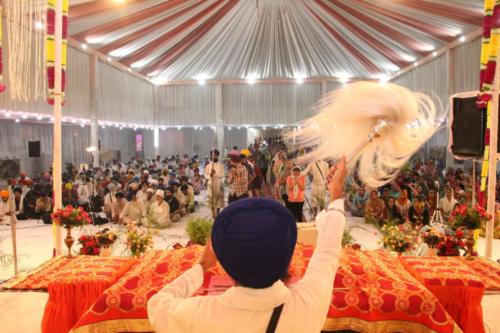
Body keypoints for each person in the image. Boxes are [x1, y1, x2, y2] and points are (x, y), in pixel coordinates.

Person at [147, 158, 347, 333]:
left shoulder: (199, 315)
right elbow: (327, 250)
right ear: (286, 255)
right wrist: (336, 195)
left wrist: (202, 267)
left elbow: (157, 305)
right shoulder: (306, 307)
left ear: (225, 264)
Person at [204, 150, 225, 218]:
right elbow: (205, 175)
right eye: (212, 155)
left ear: (217, 156)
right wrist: (210, 175)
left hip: (218, 184)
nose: (214, 156)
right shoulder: (208, 165)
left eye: (215, 155)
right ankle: (213, 213)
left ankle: (218, 213)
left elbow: (222, 175)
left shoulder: (221, 165)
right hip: (211, 184)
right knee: (211, 199)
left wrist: (215, 173)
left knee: (218, 199)